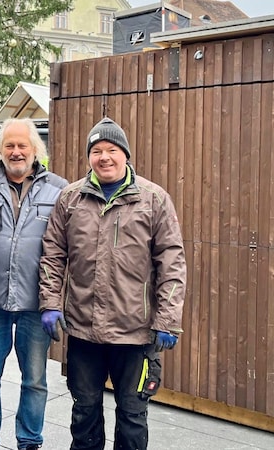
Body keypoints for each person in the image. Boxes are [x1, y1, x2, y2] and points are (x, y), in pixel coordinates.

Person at [38, 117, 186, 450]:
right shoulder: (70, 199)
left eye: (112, 149)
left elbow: (172, 262)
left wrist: (168, 320)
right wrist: (49, 303)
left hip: (136, 333)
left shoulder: (153, 200)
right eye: (97, 150)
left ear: (125, 155)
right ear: (89, 156)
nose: (104, 157)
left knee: (133, 416)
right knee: (84, 412)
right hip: (84, 331)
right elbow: (52, 255)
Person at [0, 118, 67, 450]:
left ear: (35, 149)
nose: (16, 151)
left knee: (36, 380)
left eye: (22, 145)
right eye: (9, 145)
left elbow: (66, 246)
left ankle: (29, 441)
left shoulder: (59, 188)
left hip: (35, 304)